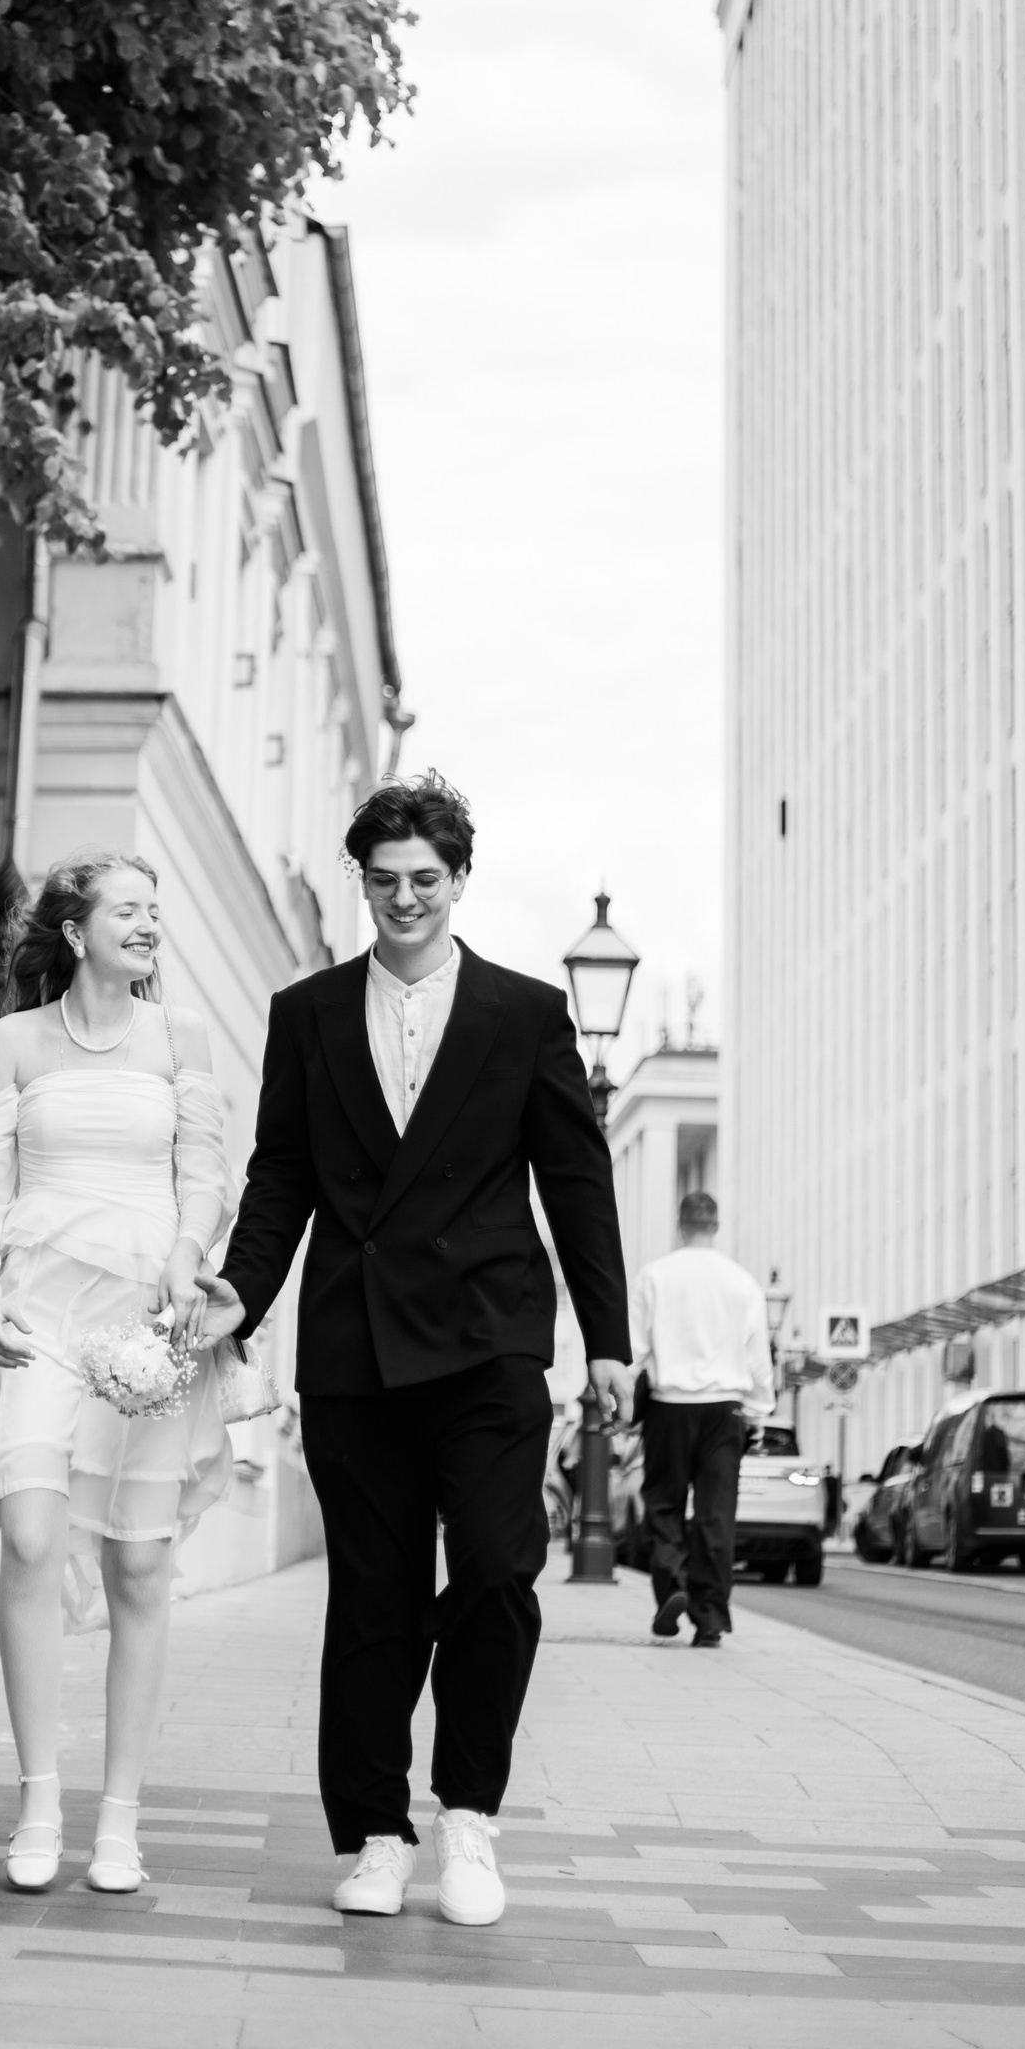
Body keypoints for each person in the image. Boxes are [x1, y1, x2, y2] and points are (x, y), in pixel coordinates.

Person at [197, 773, 631, 1930]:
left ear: (460, 879)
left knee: (495, 1572)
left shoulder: (524, 1014)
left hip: (489, 1341)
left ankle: (469, 1816)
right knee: (374, 1600)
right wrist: (242, 1293)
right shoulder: (308, 1013)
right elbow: (281, 1173)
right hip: (358, 1346)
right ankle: (377, 1835)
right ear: (363, 880)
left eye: (425, 880)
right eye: (385, 880)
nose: (404, 900)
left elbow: (576, 1182)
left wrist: (609, 1341)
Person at [0, 852, 233, 1898]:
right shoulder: (15, 1041)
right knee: (29, 1534)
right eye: (128, 910)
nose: (149, 925)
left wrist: (188, 1261)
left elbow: (205, 1175)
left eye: (156, 910)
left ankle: (119, 1822)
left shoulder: (180, 1037)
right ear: (75, 931)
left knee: (140, 1569)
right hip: (39, 1316)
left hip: (144, 1321)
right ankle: (38, 1804)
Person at [631, 1192, 775, 1647]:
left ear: (681, 1224)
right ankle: (710, 1618)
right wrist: (758, 1412)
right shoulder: (742, 1282)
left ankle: (671, 1584)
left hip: (669, 1404)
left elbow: (635, 1349)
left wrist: (624, 1405)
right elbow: (758, 1358)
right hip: (725, 1407)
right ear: (716, 1225)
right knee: (716, 1513)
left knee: (663, 1503)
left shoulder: (654, 1276)